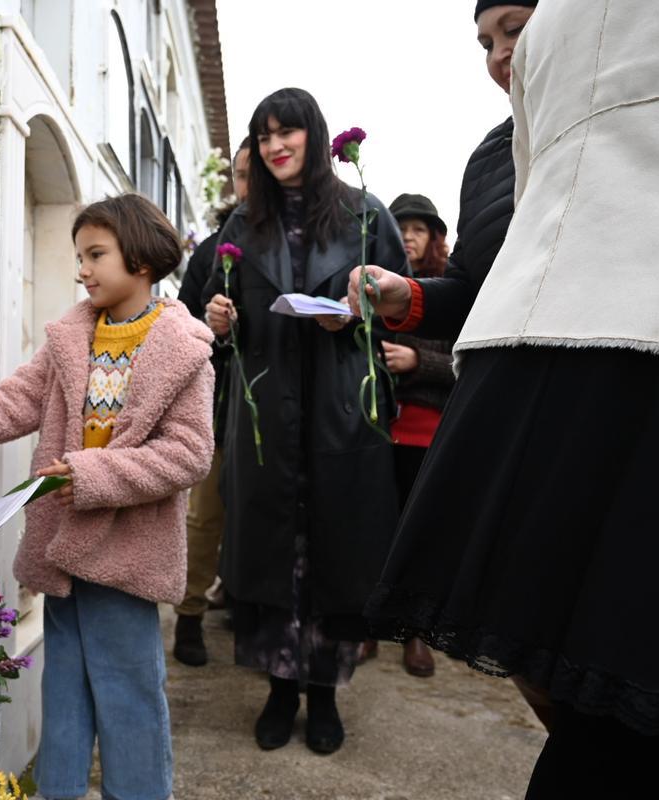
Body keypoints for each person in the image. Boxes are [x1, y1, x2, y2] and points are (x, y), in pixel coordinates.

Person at [352, 1, 659, 796]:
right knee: (563, 672)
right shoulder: (495, 153)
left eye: (514, 29)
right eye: (485, 42)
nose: (499, 54)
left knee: (627, 677)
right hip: (540, 373)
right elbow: (492, 277)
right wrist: (406, 296)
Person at [0, 194, 214, 800]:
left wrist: (89, 475)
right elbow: (10, 403)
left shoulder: (184, 349)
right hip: (61, 547)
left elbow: (189, 454)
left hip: (127, 553)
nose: (82, 269)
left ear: (140, 260)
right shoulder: (71, 338)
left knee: (128, 692)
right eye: (79, 256)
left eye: (96, 254)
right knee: (65, 689)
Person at [202, 87, 409, 754]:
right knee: (274, 557)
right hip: (266, 409)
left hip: (340, 404)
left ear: (315, 138)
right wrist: (221, 322)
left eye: (286, 131)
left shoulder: (365, 214)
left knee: (333, 552)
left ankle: (323, 694)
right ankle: (279, 689)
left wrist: (365, 307)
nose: (273, 145)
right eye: (263, 136)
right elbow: (220, 319)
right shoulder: (241, 225)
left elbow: (403, 306)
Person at [357, 193, 454, 678]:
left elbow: (467, 360)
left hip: (428, 430)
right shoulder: (372, 285)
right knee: (374, 525)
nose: (410, 236)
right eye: (403, 227)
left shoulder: (453, 289)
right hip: (378, 425)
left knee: (421, 532)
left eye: (420, 228)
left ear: (434, 237)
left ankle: (416, 632)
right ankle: (371, 626)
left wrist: (420, 361)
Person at [172, 136, 251, 667]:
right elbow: (181, 325)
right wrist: (213, 326)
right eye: (242, 173)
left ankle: (252, 607)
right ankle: (190, 615)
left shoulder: (302, 244)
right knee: (206, 515)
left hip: (277, 408)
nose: (250, 184)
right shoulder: (215, 245)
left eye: (257, 172)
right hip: (220, 403)